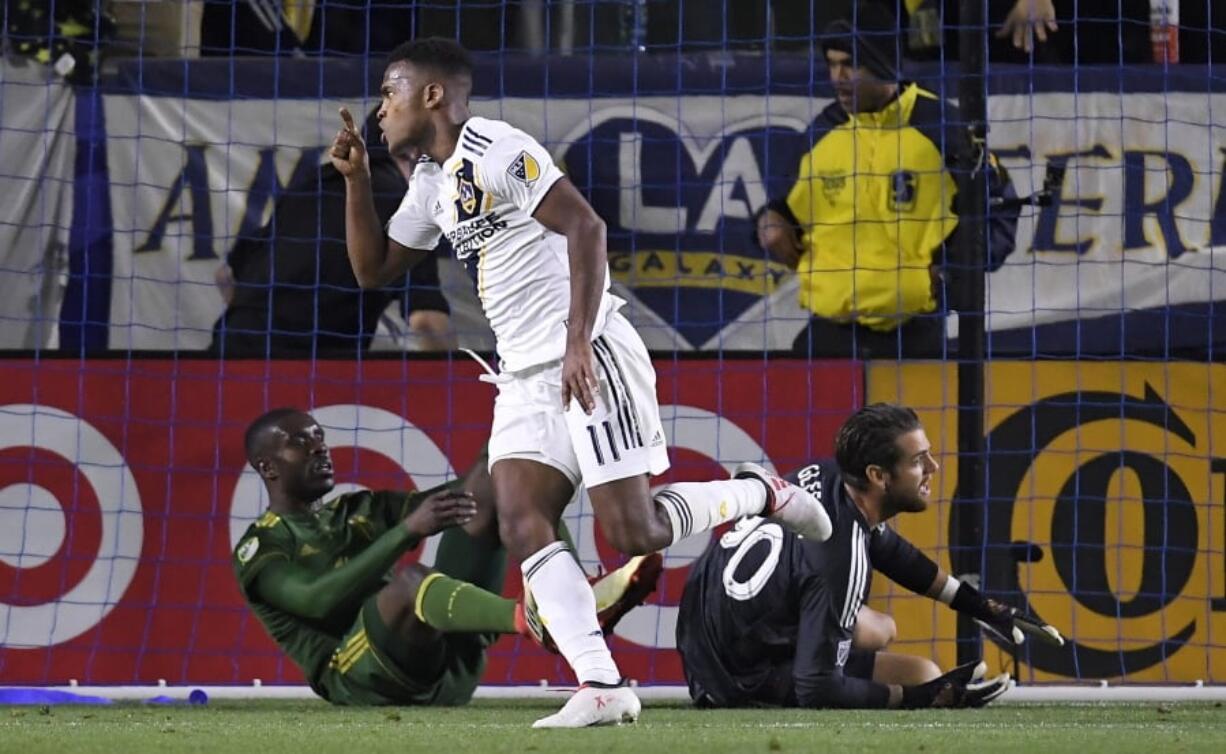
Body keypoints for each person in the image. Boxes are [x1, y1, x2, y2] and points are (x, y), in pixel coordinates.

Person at [330, 37, 833, 726]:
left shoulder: (496, 148)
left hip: (587, 351)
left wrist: (576, 344)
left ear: (433, 95)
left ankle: (759, 491)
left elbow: (586, 227)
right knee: (518, 519)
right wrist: (357, 180)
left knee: (635, 532)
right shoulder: (433, 183)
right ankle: (601, 684)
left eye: (390, 90)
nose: (380, 108)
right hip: (523, 377)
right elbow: (373, 269)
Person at [232, 408, 662, 706]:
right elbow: (316, 601)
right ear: (269, 468)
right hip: (361, 679)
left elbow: (469, 497)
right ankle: (539, 618)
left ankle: (566, 592)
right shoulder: (262, 547)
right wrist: (406, 531)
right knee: (410, 582)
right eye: (299, 443)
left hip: (446, 667)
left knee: (500, 470)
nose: (319, 448)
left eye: (320, 438)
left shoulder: (354, 510)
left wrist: (505, 465)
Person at [676, 403, 1064, 709]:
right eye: (918, 462)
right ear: (878, 476)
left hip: (705, 639)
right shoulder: (841, 562)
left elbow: (889, 548)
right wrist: (920, 700)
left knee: (906, 653)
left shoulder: (827, 475)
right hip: (733, 679)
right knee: (904, 666)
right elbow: (817, 687)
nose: (933, 468)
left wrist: (980, 606)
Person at [756, 1, 1020, 358]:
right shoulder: (822, 131)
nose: (838, 78)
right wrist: (767, 222)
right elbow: (782, 209)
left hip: (913, 336)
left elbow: (1000, 207)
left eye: (850, 64)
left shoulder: (942, 127)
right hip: (829, 335)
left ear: (881, 63)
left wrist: (951, 274)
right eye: (832, 64)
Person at [210, 107, 454, 357]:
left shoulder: (315, 183)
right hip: (313, 370)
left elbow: (225, 274)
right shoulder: (408, 208)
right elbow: (427, 323)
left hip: (229, 357)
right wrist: (456, 389)